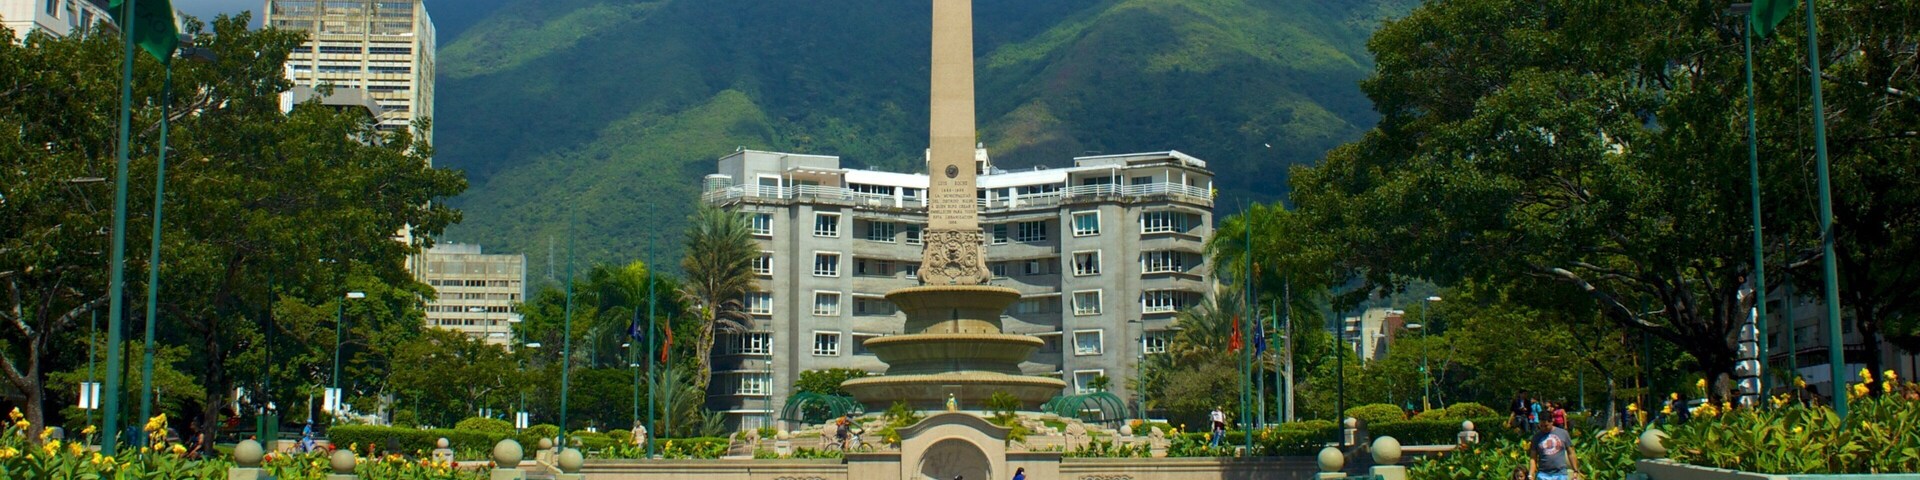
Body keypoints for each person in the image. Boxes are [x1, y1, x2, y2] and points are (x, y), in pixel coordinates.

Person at [1528, 416, 1581, 480]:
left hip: (1560, 473)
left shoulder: (1563, 433)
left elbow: (1571, 453)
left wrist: (1575, 470)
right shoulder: (1536, 437)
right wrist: (1531, 474)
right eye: (1541, 426)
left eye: (1546, 426)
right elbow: (1533, 458)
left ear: (1552, 422)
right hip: (1543, 474)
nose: (1543, 428)